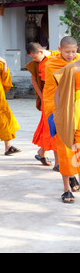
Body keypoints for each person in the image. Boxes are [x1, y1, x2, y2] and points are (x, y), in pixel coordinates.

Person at [44, 36, 80, 201]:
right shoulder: (52, 63)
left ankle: (74, 174)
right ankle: (66, 189)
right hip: (59, 108)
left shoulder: (78, 60)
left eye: (74, 51)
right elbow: (59, 85)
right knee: (65, 148)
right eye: (67, 52)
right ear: (60, 49)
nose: (71, 55)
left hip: (77, 109)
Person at [26, 42, 59, 167]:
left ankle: (41, 152)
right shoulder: (40, 64)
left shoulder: (57, 56)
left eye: (34, 57)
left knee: (48, 125)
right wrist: (42, 97)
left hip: (60, 94)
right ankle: (57, 163)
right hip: (49, 96)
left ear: (41, 52)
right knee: (52, 126)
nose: (34, 60)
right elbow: (34, 80)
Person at [54, 50, 80, 203]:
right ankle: (66, 189)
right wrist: (58, 114)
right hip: (70, 114)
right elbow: (58, 93)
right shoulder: (70, 69)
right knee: (66, 150)